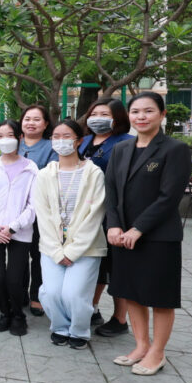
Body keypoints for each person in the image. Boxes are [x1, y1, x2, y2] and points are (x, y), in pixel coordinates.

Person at [105, 92, 190, 376]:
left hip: (158, 237)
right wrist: (114, 225)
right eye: (135, 111)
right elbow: (111, 191)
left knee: (160, 297)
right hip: (123, 236)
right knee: (131, 293)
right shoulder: (121, 149)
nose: (141, 116)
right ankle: (141, 345)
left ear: (162, 114)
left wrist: (138, 228)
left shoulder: (174, 149)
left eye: (149, 111)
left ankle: (157, 352)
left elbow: (169, 197)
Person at [33, 119, 107, 350]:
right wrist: (57, 251)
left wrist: (73, 251)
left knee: (74, 294)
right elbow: (43, 214)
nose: (61, 141)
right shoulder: (45, 174)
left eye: (67, 136)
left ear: (79, 141)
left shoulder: (93, 173)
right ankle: (60, 327)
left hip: (86, 246)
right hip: (52, 246)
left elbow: (95, 214)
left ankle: (79, 331)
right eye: (56, 136)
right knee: (51, 292)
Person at [79, 98, 135, 337]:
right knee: (94, 265)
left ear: (117, 118)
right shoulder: (83, 141)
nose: (97, 118)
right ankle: (91, 308)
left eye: (104, 114)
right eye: (94, 113)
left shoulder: (126, 142)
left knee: (117, 268)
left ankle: (120, 318)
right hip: (85, 213)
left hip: (114, 213)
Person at [0, 121, 38, 337]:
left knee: (14, 278)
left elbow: (33, 205)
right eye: (0, 136)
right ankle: (5, 312)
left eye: (10, 135)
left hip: (20, 232)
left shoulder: (31, 168)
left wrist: (13, 227)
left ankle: (18, 316)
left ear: (20, 137)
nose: (5, 140)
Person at [19, 104, 58, 317]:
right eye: (27, 119)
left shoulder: (51, 147)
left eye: (36, 119)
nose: (31, 123)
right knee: (18, 254)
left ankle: (37, 295)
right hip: (15, 211)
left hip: (41, 211)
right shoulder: (14, 144)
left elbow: (51, 178)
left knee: (38, 254)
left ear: (45, 124)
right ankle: (19, 293)